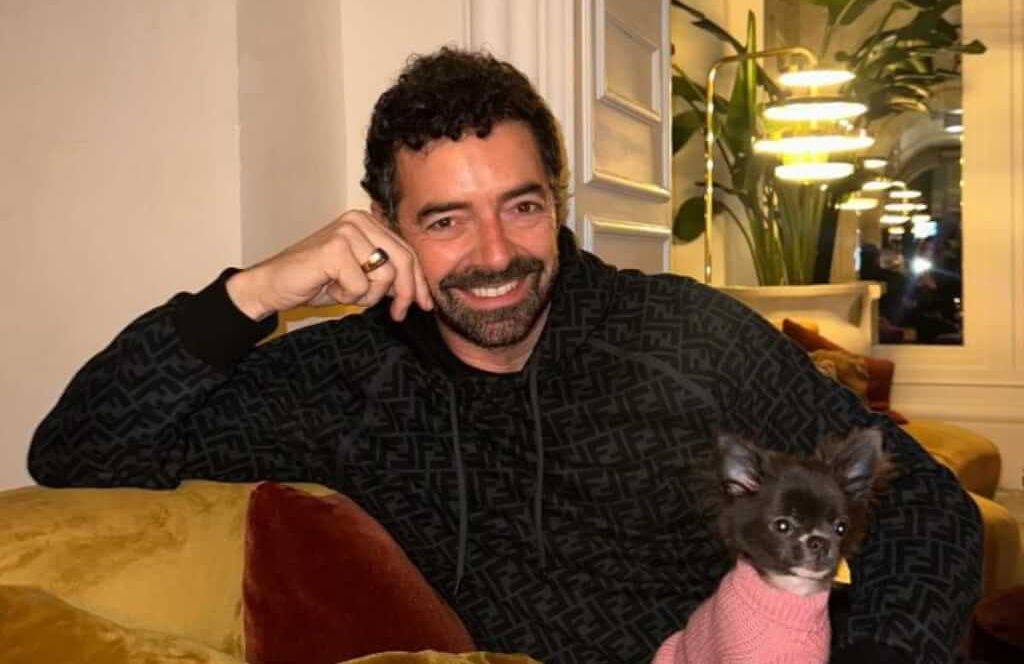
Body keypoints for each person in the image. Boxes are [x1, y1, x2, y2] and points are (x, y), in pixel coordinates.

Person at [28, 48, 981, 664]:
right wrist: (256, 292)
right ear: (385, 225)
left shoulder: (686, 335)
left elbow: (926, 507)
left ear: (555, 201)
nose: (494, 254)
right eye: (446, 220)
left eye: (520, 207)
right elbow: (78, 450)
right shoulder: (342, 380)